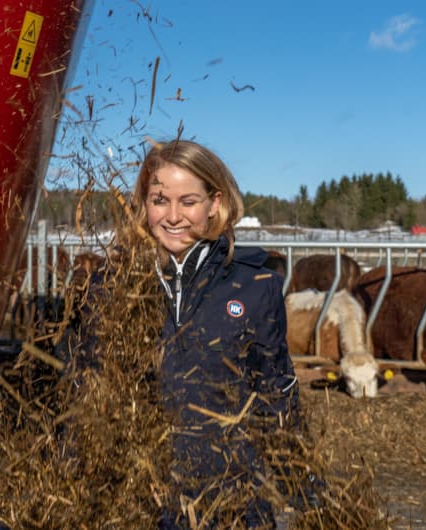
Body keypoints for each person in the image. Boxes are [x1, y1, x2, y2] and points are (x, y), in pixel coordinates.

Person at [129, 139, 302, 528]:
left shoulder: (255, 286)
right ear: (144, 204)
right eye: (159, 200)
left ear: (215, 204)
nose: (173, 216)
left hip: (231, 500)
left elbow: (276, 394)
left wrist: (306, 490)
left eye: (188, 201)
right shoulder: (116, 289)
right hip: (139, 499)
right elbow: (87, 390)